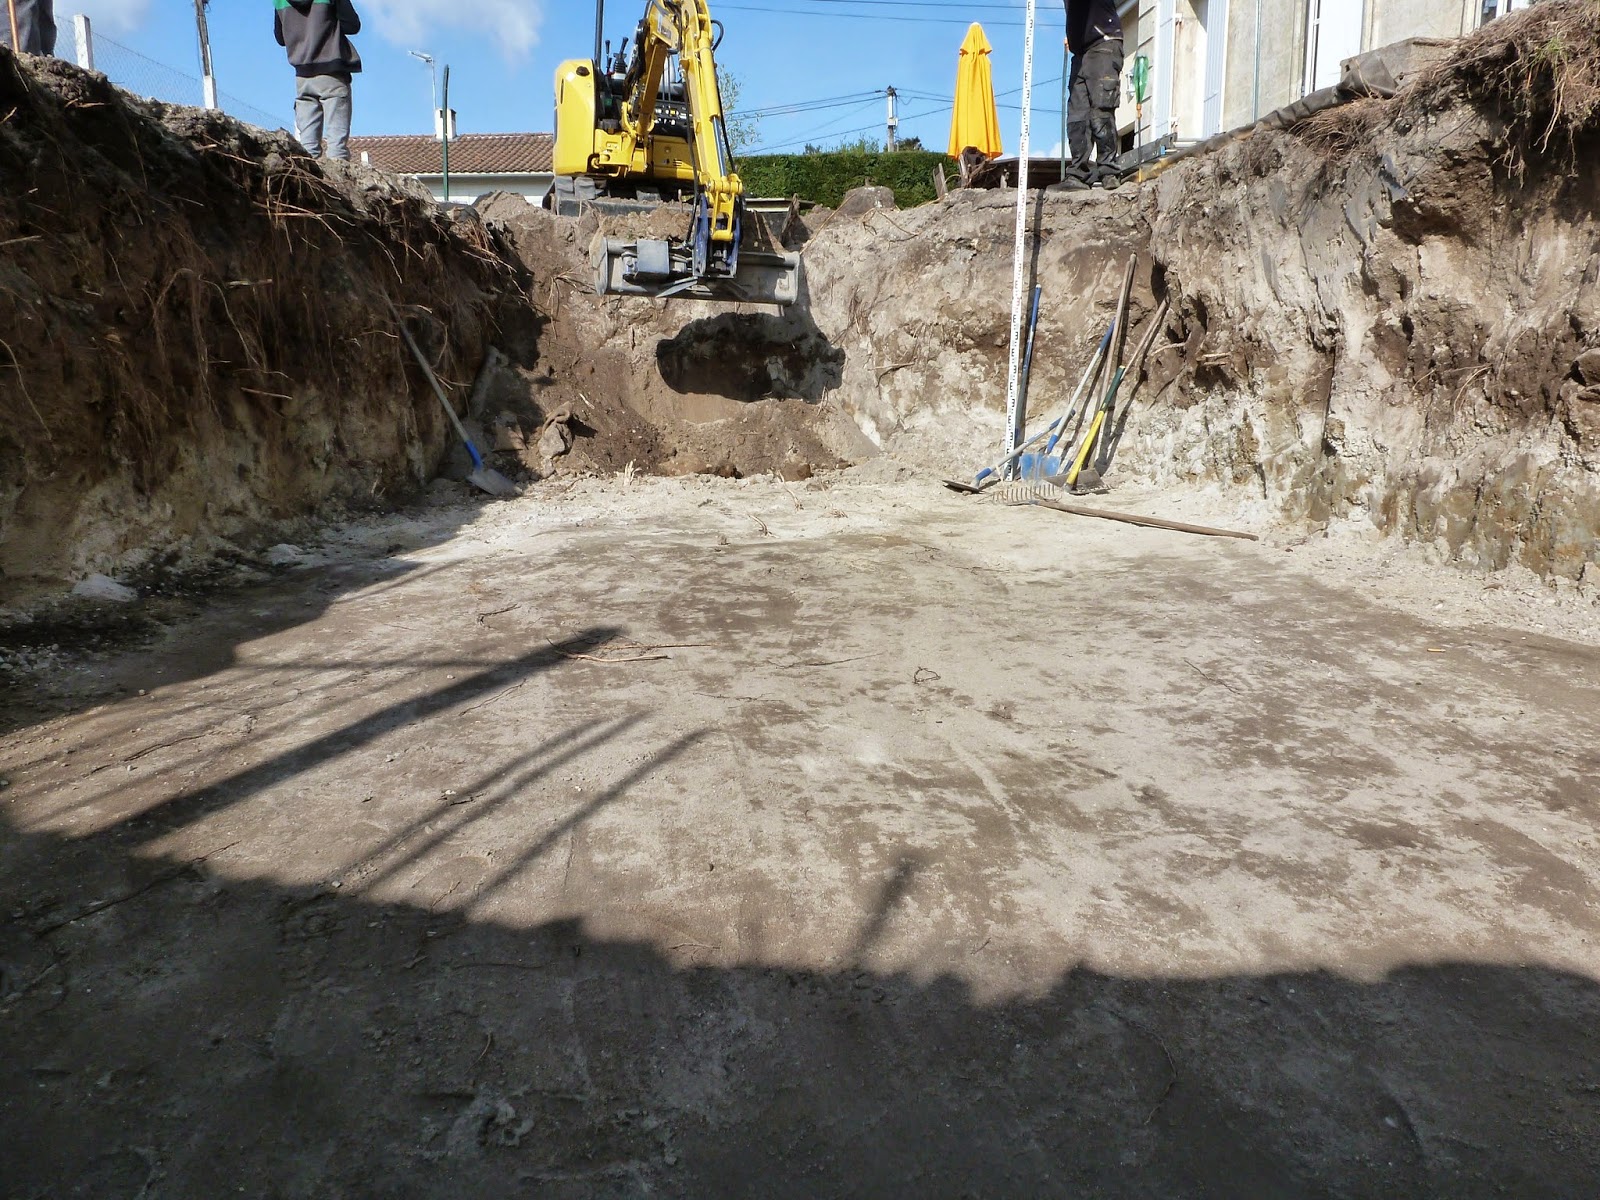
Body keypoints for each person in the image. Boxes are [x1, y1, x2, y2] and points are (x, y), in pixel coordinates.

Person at [274, 0, 362, 162]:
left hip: (303, 77)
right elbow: (352, 25)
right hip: (332, 74)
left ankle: (311, 184)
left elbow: (281, 38)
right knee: (337, 150)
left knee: (308, 150)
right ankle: (339, 186)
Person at [1064, 0, 1124, 188]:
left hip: (1103, 42)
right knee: (1077, 116)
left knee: (1101, 109)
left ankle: (1108, 171)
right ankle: (1078, 174)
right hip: (1081, 51)